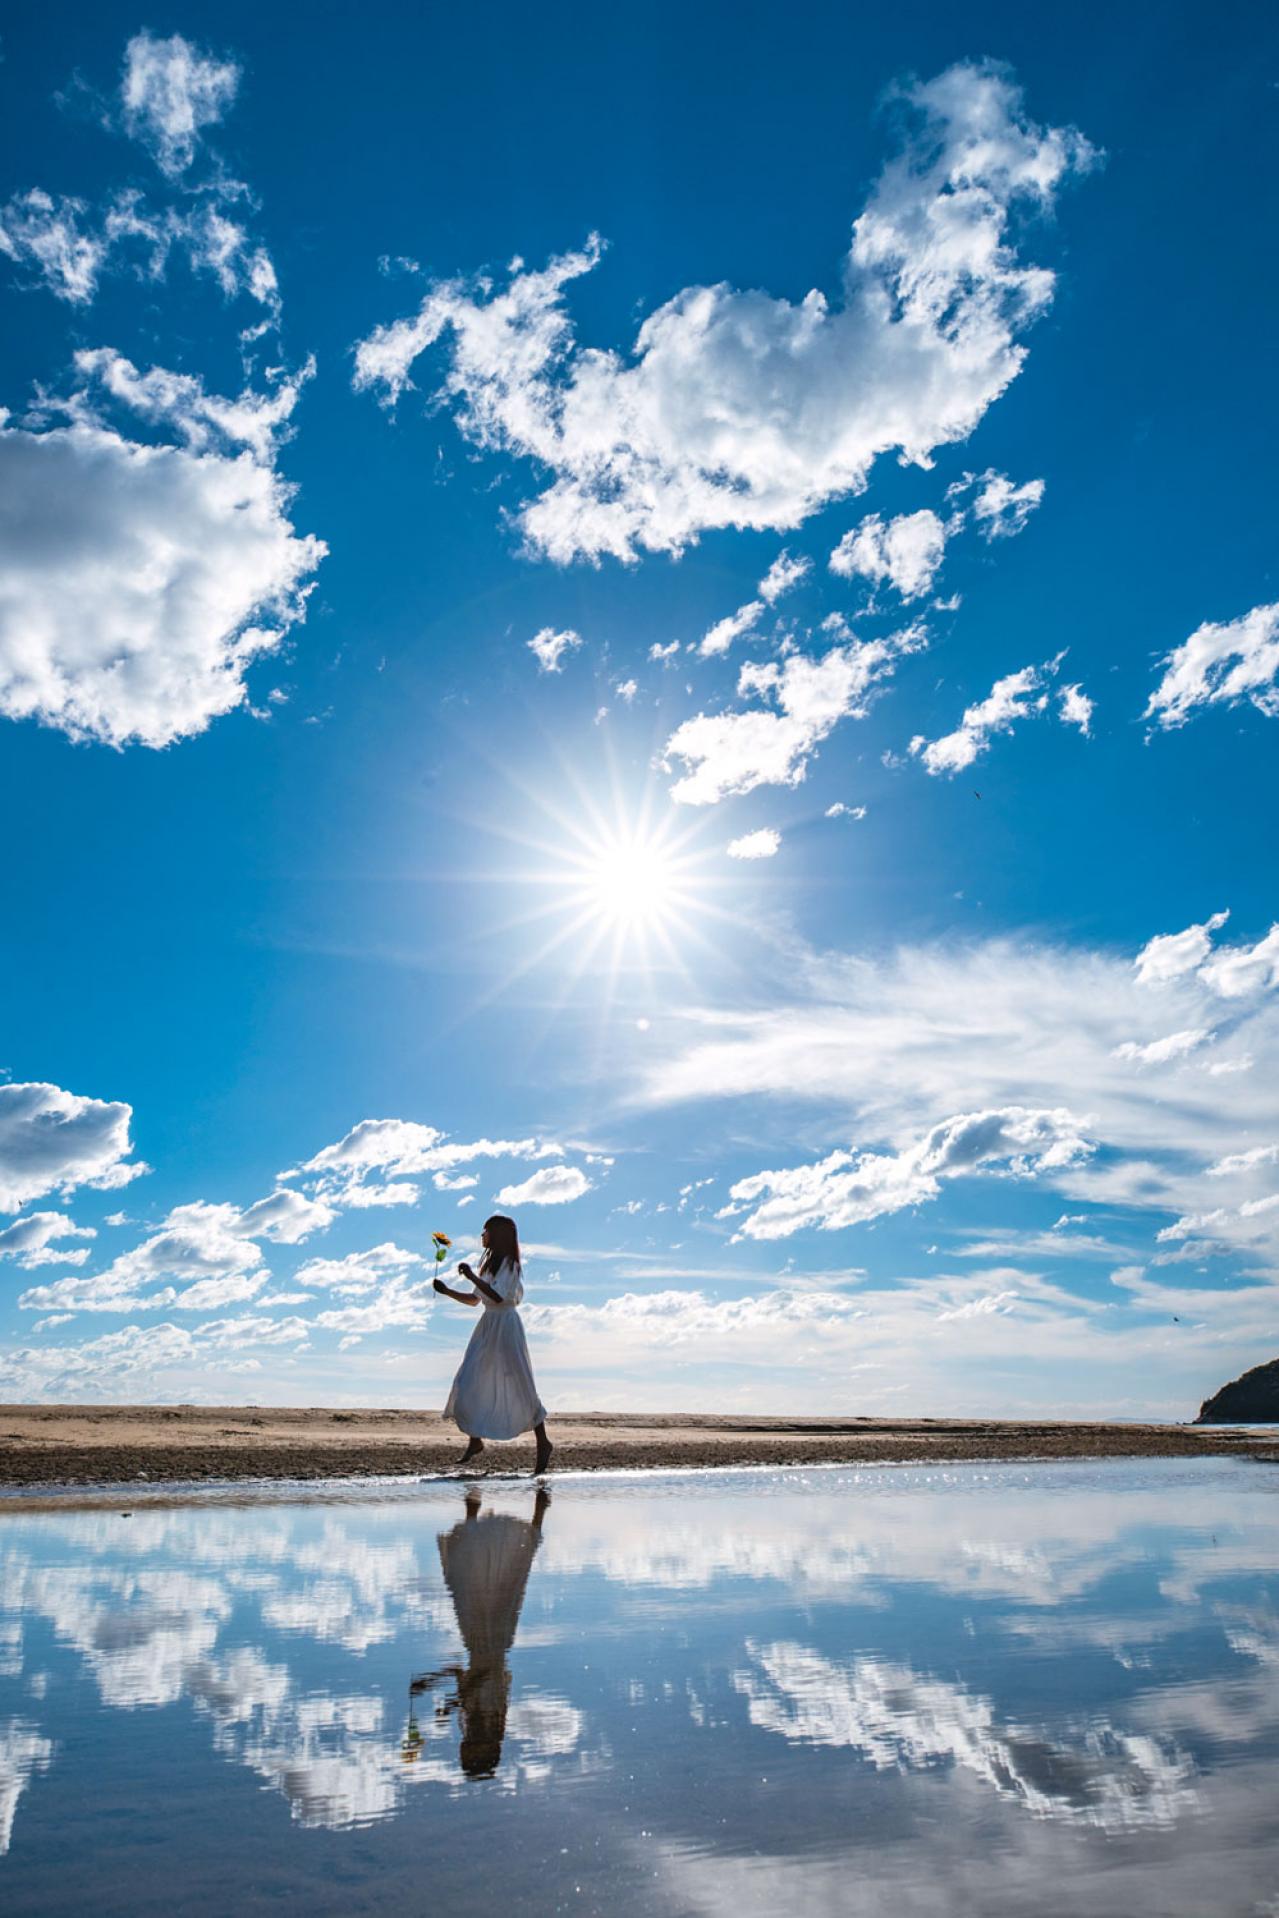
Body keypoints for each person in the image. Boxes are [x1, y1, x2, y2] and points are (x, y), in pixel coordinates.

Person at [407, 1484, 550, 1778]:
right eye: (471, 1749)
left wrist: (431, 1683)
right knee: (503, 1577)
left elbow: (463, 1673)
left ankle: (473, 1511)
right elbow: (484, 1675)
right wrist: (451, 1702)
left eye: (466, 1749)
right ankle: (537, 1513)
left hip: (475, 1639)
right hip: (492, 1639)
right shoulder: (494, 1712)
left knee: (466, 1579)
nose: (466, 1743)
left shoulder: (473, 1716)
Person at [434, 1213, 552, 1474]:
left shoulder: (510, 1264)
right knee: (468, 1379)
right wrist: (447, 1291)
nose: (482, 1236)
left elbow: (498, 1298)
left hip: (506, 1326)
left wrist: (471, 1277)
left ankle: (543, 1443)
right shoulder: (488, 1266)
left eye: (485, 1231)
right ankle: (475, 1440)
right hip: (489, 1326)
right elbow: (476, 1300)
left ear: (497, 1235)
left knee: (521, 1384)